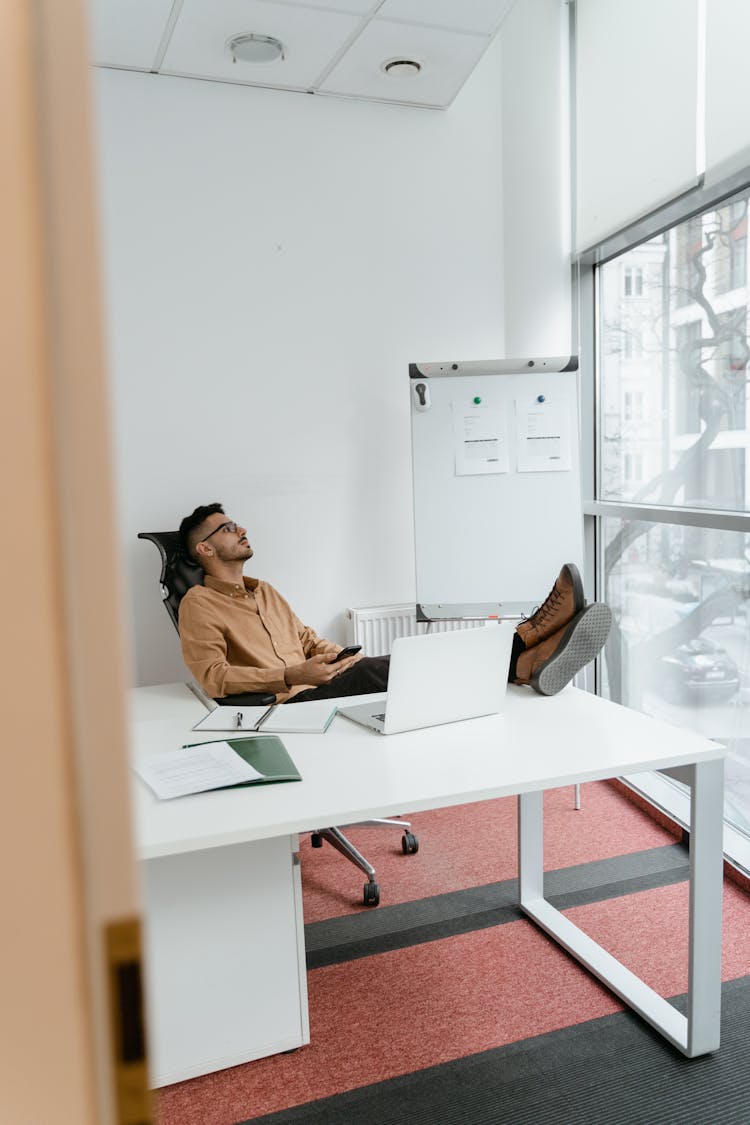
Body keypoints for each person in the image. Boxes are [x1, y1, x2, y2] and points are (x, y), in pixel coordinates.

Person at [177, 503, 612, 704]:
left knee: (405, 659)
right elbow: (214, 678)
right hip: (288, 704)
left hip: (321, 682)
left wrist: (337, 659)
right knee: (406, 664)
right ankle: (524, 644)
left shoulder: (265, 590)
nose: (241, 528)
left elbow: (307, 639)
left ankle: (523, 660)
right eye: (228, 527)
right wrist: (292, 674)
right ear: (206, 551)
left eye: (236, 522)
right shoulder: (198, 604)